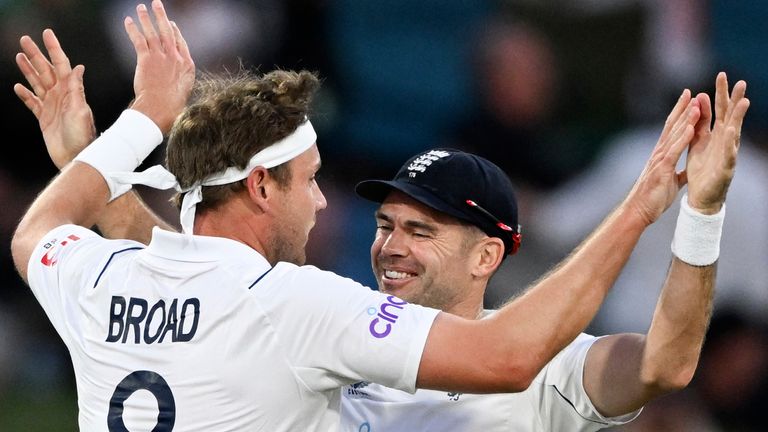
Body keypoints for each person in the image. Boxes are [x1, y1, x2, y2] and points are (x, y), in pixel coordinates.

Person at [11, 1, 748, 430]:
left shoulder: (549, 364)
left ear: (488, 255)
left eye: (421, 230)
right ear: (264, 186)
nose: (387, 243)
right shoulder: (324, 315)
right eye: (388, 222)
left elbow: (665, 362)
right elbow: (188, 265)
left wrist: (696, 209)